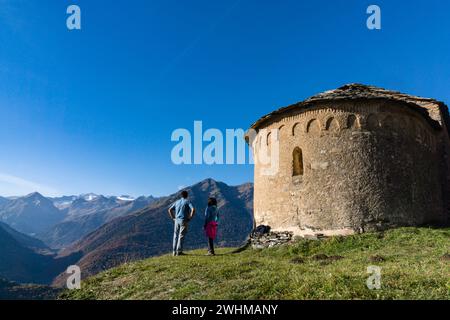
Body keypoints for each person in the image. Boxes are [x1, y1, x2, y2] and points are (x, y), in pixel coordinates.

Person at [168, 190, 195, 256]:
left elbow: (169, 210)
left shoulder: (177, 202)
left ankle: (174, 252)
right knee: (181, 236)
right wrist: (190, 217)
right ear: (187, 195)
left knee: (175, 235)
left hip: (176, 220)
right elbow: (193, 209)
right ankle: (179, 251)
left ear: (181, 195)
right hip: (184, 220)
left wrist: (173, 218)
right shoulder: (187, 202)